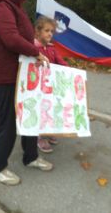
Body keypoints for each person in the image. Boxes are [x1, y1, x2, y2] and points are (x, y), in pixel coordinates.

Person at [0, 0, 53, 186]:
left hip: (20, 74)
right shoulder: (1, 5)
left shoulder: (13, 4)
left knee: (28, 115)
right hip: (4, 76)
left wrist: (33, 49)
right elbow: (11, 39)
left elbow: (20, 36)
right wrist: (36, 51)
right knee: (9, 123)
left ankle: (30, 157)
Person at [34, 16, 68, 153]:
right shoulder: (32, 48)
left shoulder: (52, 48)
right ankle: (38, 136)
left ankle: (48, 130)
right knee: (39, 111)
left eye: (52, 31)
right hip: (37, 88)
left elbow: (61, 62)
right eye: (47, 30)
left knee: (50, 109)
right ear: (38, 31)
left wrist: (73, 72)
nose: (50, 34)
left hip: (50, 87)